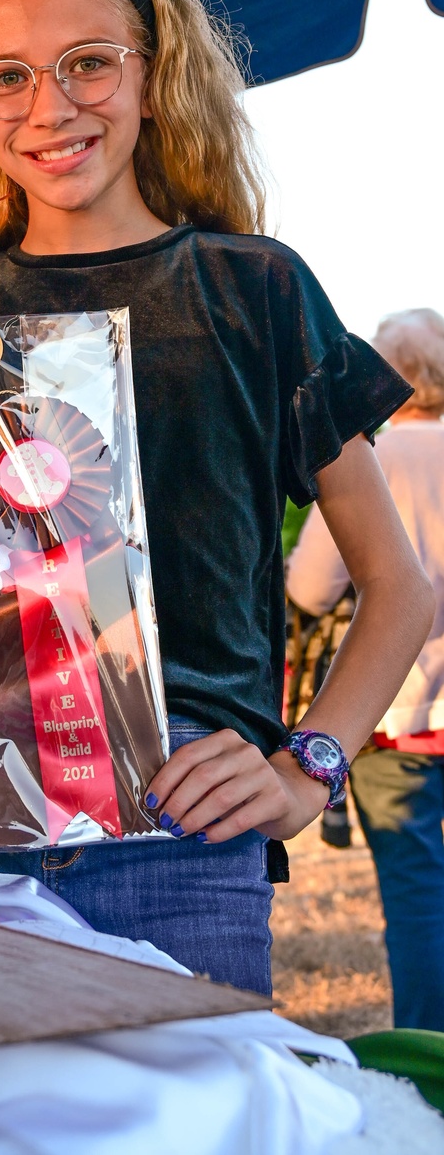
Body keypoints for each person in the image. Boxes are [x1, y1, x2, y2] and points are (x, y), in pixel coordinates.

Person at [0, 0, 434, 995]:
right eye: (6, 77)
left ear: (153, 78)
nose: (51, 106)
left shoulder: (256, 289)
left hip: (181, 823)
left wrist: (308, 768)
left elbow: (399, 585)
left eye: (88, 64)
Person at [287, 308, 444, 1029]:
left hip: (402, 718)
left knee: (418, 901)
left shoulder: (371, 463)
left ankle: (430, 1057)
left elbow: (308, 587)